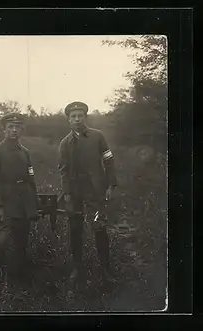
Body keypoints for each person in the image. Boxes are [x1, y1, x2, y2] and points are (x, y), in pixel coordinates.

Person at [58, 101, 117, 284]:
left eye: (80, 115)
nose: (77, 119)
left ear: (85, 117)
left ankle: (105, 268)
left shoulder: (97, 136)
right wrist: (66, 192)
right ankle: (77, 267)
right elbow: (63, 170)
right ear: (68, 120)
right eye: (73, 116)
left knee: (99, 227)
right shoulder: (64, 143)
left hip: (95, 190)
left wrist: (110, 185)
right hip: (74, 192)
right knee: (75, 229)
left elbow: (109, 162)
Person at [0, 112, 41, 285]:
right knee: (1, 241)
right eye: (10, 127)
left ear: (21, 130)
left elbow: (31, 179)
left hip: (25, 203)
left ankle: (18, 279)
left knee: (21, 242)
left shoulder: (25, 152)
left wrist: (35, 204)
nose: (14, 130)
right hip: (6, 202)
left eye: (17, 127)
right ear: (4, 130)